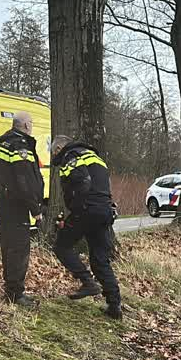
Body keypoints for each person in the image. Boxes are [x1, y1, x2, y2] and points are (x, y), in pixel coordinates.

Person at [51, 135, 122, 319]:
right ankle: (114, 306)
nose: (54, 156)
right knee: (100, 260)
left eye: (53, 152)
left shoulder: (70, 156)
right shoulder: (94, 157)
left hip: (87, 210)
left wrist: (76, 211)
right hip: (104, 211)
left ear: (59, 149)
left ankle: (87, 281)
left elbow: (82, 182)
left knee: (61, 246)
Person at [0, 111, 44, 307]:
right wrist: (35, 208)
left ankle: (11, 289)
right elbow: (25, 181)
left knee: (8, 248)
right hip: (17, 206)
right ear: (25, 126)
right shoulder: (20, 147)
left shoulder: (1, 145)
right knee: (19, 250)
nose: (32, 126)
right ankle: (16, 293)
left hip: (4, 205)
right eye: (31, 122)